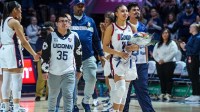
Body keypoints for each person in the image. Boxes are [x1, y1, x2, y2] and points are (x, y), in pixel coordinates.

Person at [0, 1, 40, 112]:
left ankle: (5, 106)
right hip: (12, 50)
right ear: (15, 10)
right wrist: (34, 54)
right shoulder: (15, 22)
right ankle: (16, 108)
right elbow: (24, 42)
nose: (21, 12)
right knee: (17, 80)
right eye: (20, 9)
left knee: (6, 80)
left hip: (3, 50)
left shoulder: (3, 21)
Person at [41, 14, 82, 112]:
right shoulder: (51, 36)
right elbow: (45, 54)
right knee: (53, 96)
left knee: (68, 96)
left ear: (69, 23)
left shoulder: (74, 37)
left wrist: (79, 69)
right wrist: (44, 70)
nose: (64, 23)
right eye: (61, 21)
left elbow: (78, 54)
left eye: (66, 21)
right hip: (53, 72)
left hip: (69, 71)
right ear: (57, 24)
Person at [71, 0, 105, 111]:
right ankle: (74, 104)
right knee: (72, 82)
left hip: (88, 56)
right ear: (74, 7)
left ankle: (86, 101)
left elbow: (96, 39)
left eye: (82, 6)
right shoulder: (68, 21)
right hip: (72, 59)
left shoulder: (90, 21)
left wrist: (101, 54)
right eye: (78, 6)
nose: (80, 8)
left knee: (92, 78)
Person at [103, 4, 138, 112]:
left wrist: (133, 47)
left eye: (126, 11)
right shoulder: (111, 28)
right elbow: (105, 47)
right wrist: (118, 53)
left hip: (129, 61)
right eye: (122, 11)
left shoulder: (132, 28)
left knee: (126, 90)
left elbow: (137, 46)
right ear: (116, 14)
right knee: (121, 88)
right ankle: (115, 110)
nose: (125, 13)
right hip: (116, 61)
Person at [124, 2, 155, 112]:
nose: (137, 11)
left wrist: (146, 61)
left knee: (143, 90)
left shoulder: (143, 26)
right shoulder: (124, 26)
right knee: (125, 92)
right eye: (134, 10)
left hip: (141, 63)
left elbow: (146, 46)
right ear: (128, 13)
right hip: (127, 63)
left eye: (138, 9)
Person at [153, 28, 178, 101]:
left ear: (169, 34)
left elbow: (173, 53)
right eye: (163, 33)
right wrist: (159, 60)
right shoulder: (158, 43)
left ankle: (168, 93)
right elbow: (154, 54)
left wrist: (164, 60)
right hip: (159, 63)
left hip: (169, 63)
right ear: (161, 34)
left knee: (168, 78)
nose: (165, 34)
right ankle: (163, 93)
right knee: (161, 78)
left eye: (166, 33)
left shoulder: (172, 43)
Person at [180, 23, 200, 102]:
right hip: (189, 58)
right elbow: (188, 50)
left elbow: (194, 50)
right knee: (192, 77)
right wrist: (184, 47)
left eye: (191, 27)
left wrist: (185, 46)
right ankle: (194, 93)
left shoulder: (198, 38)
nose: (189, 28)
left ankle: (197, 94)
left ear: (195, 28)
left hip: (195, 58)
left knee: (195, 77)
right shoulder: (191, 37)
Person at [100, 11, 115, 111]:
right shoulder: (106, 31)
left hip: (112, 58)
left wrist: (111, 55)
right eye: (104, 21)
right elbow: (103, 43)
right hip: (106, 57)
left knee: (112, 82)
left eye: (107, 22)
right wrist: (102, 31)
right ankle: (111, 99)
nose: (105, 23)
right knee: (107, 81)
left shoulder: (114, 30)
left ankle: (114, 102)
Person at [35, 24, 54, 101]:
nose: (46, 31)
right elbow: (38, 51)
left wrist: (53, 31)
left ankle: (48, 95)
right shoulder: (39, 39)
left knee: (50, 78)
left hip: (51, 59)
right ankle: (38, 95)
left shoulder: (53, 37)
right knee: (41, 78)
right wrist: (45, 51)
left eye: (48, 29)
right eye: (45, 30)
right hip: (42, 60)